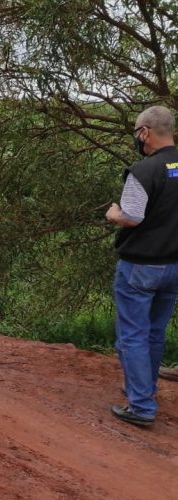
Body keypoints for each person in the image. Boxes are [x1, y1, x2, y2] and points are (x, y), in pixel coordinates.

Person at [106, 105, 178, 427]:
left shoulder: (143, 171)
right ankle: (143, 388)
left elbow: (132, 217)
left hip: (140, 267)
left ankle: (141, 406)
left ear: (145, 132)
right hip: (173, 266)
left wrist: (113, 214)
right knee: (153, 333)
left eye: (137, 132)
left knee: (132, 335)